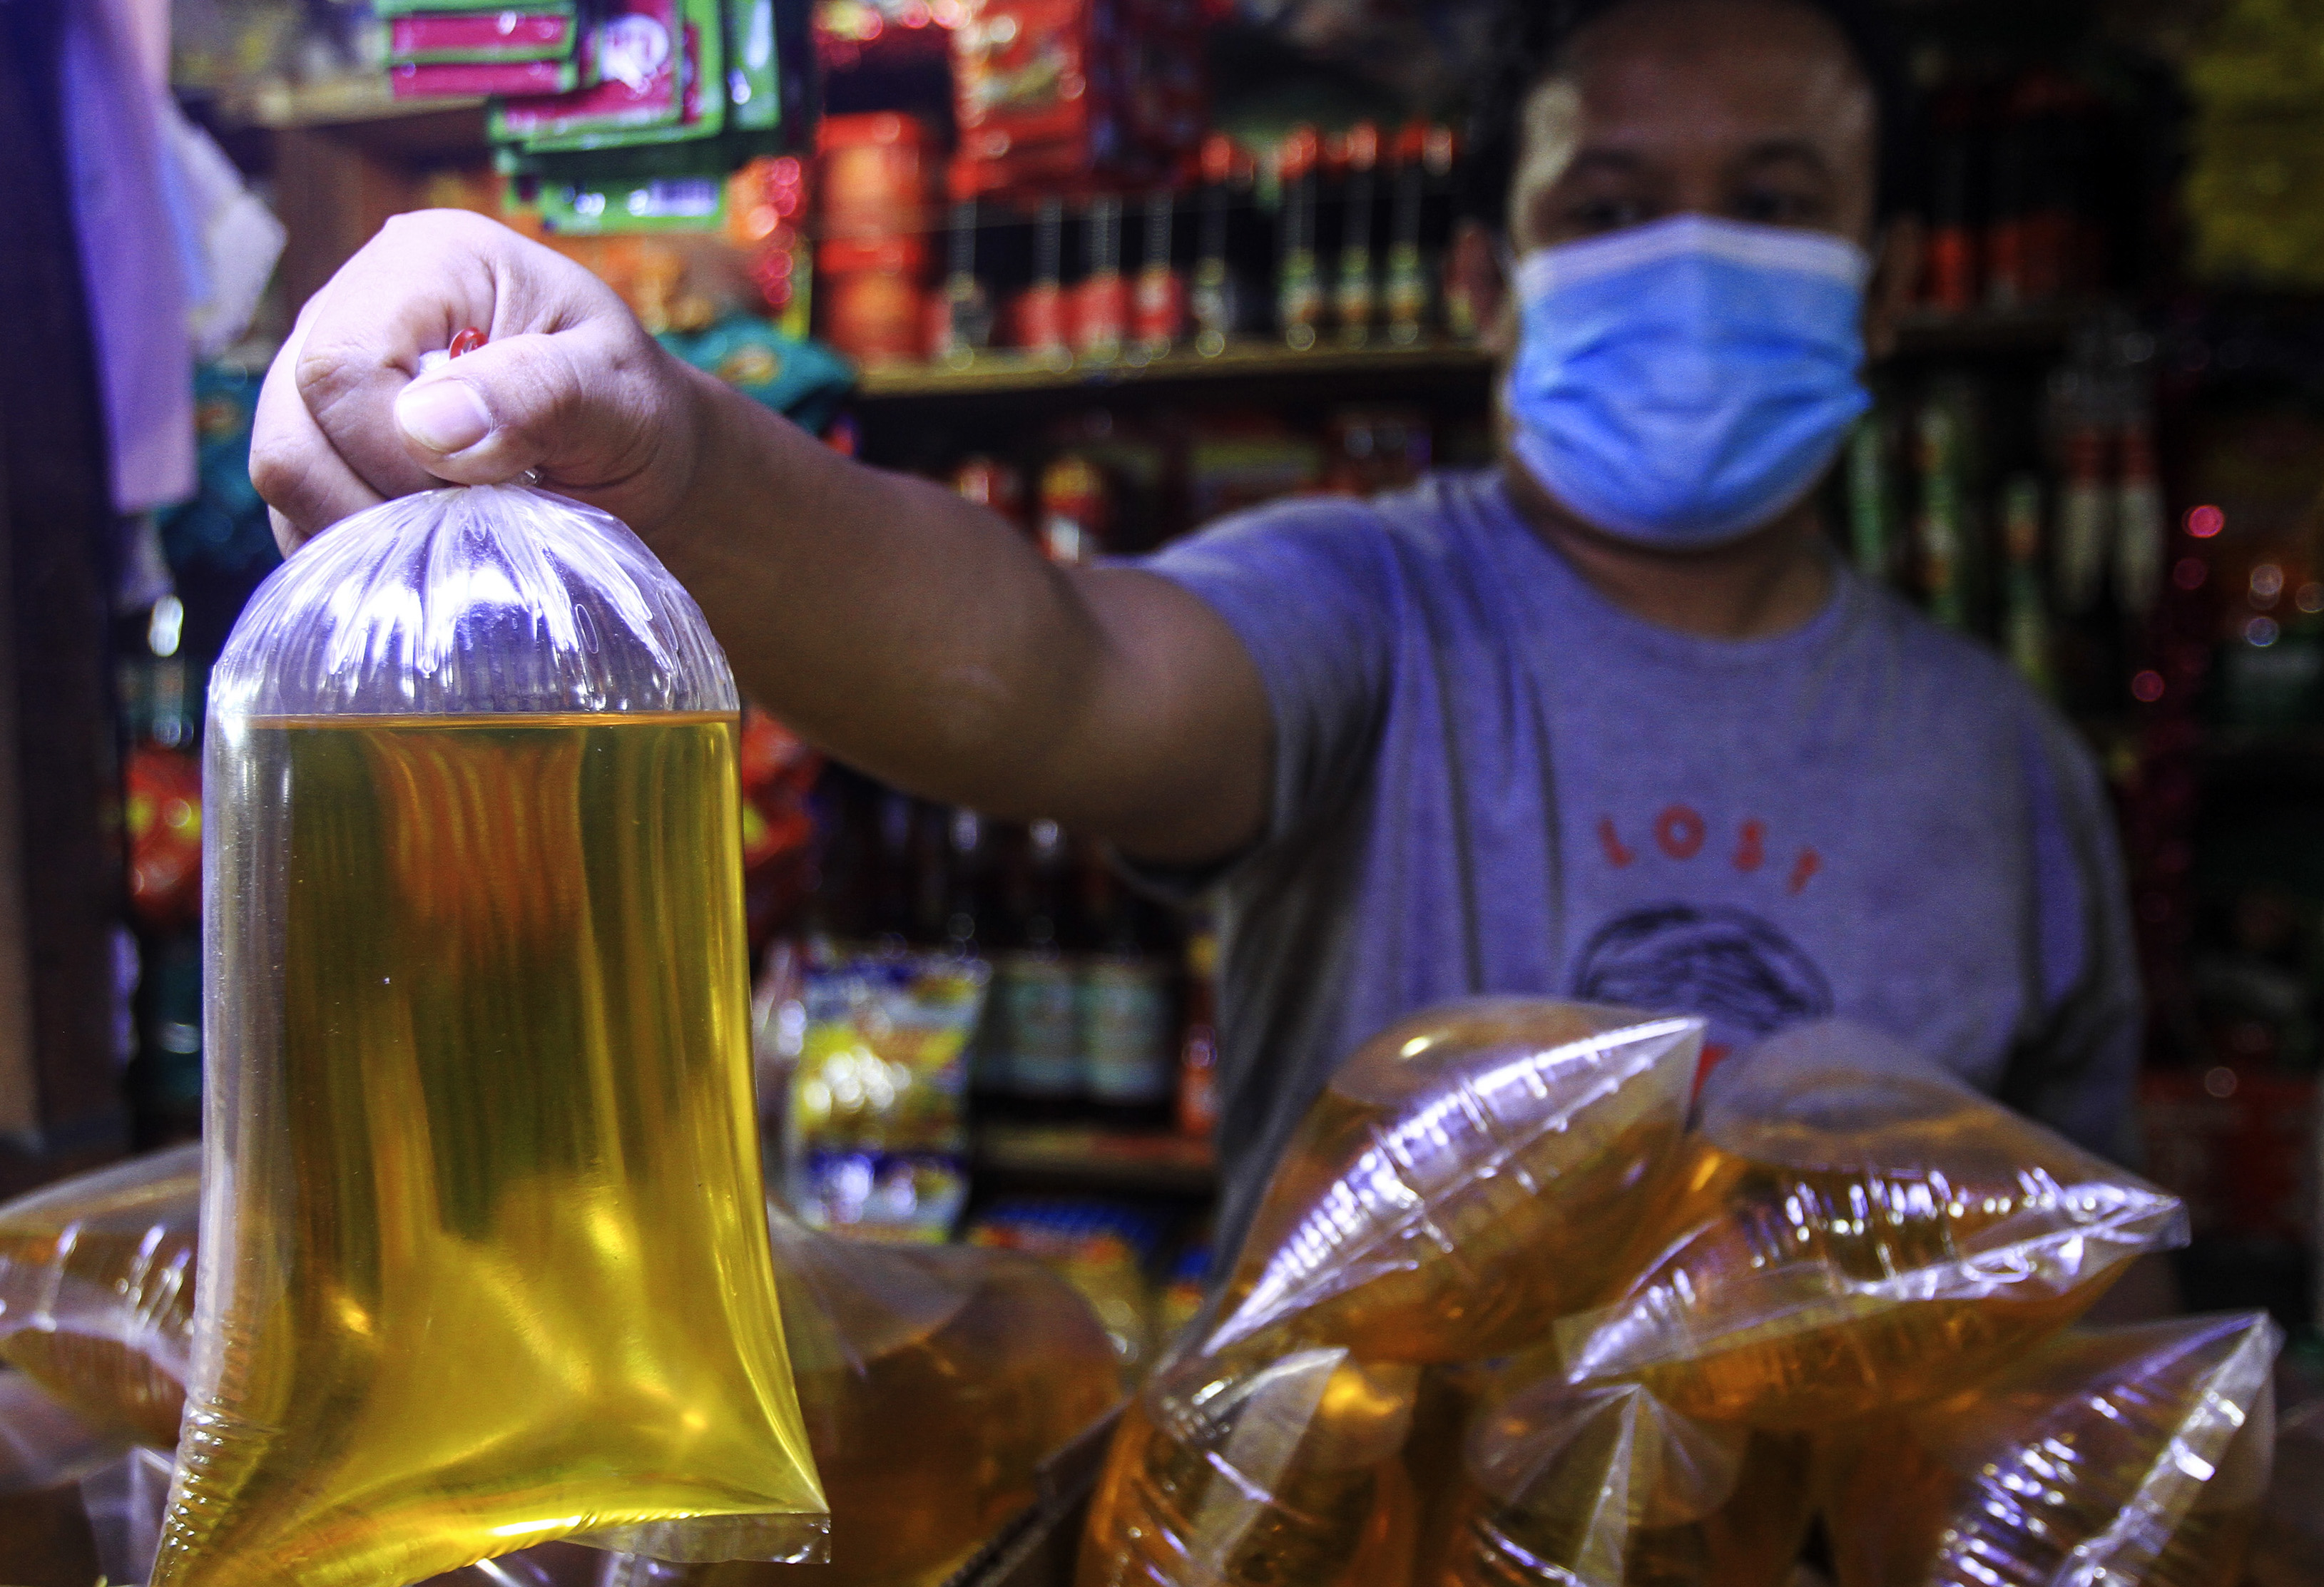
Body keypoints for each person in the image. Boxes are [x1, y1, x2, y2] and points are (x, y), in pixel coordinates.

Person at [253, 0, 2140, 1274]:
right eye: (1613, 208)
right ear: (1487, 284)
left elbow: (2097, 1335)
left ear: (1881, 292)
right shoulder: (1370, 609)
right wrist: (661, 450)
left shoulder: (2012, 770)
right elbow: (1038, 673)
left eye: (1774, 205)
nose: (1691, 255)